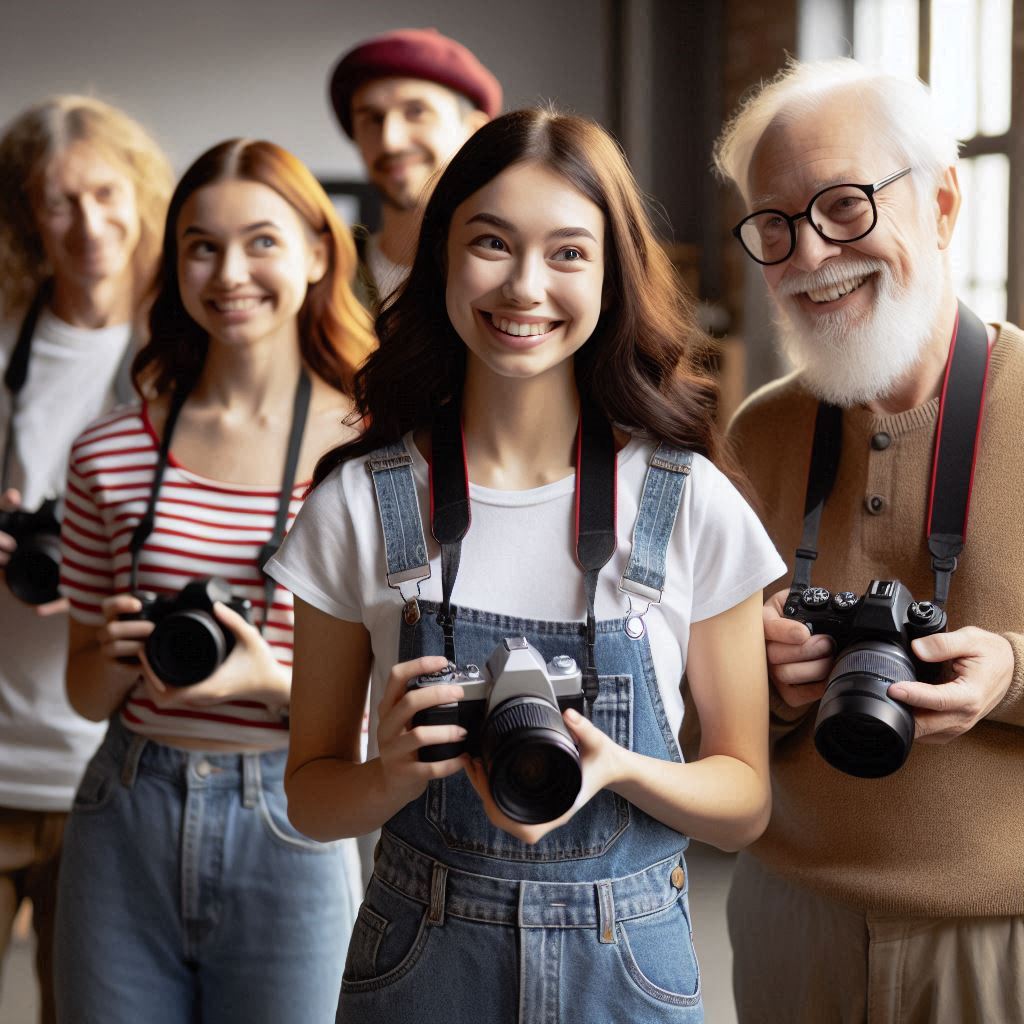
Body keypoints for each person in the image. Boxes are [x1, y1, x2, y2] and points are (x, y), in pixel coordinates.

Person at [267, 107, 784, 1024]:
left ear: (612, 274)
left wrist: (617, 768)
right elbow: (311, 797)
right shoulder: (358, 501)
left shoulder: (687, 497)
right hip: (420, 954)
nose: (525, 286)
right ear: (440, 259)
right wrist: (391, 771)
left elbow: (742, 799)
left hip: (629, 965)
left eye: (568, 253)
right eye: (492, 243)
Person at [714, 58, 1024, 1022]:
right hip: (785, 917)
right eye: (774, 225)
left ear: (940, 205)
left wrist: (1010, 674)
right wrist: (754, 681)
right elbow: (694, 721)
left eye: (845, 206)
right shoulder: (756, 434)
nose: (808, 256)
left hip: (1000, 935)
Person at [54, 139, 375, 1024]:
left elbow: (391, 706)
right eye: (202, 245)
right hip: (127, 809)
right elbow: (85, 691)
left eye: (261, 241)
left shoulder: (372, 458)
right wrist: (123, 654)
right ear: (176, 263)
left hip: (292, 813)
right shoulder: (109, 452)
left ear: (317, 252)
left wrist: (266, 682)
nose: (230, 271)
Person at [0, 95, 172, 1024]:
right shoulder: (2, 343)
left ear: (142, 195)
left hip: (106, 767)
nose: (88, 224)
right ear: (28, 213)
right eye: (58, 201)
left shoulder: (186, 358)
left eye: (106, 193)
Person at [328, 27, 501, 309]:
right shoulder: (324, 280)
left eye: (416, 112)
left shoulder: (506, 282)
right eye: (372, 118)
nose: (390, 141)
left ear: (474, 132)